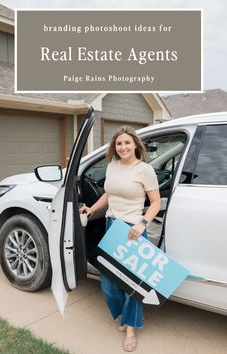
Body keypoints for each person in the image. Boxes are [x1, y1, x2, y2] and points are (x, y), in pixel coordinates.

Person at [80, 126, 161, 352]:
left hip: (132, 230)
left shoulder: (144, 170)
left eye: (127, 142)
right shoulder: (113, 167)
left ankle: (131, 328)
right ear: (114, 148)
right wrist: (92, 209)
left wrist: (142, 223)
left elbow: (155, 202)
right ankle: (124, 315)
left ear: (135, 144)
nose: (123, 147)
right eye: (118, 144)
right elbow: (109, 193)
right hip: (110, 226)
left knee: (131, 285)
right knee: (108, 283)